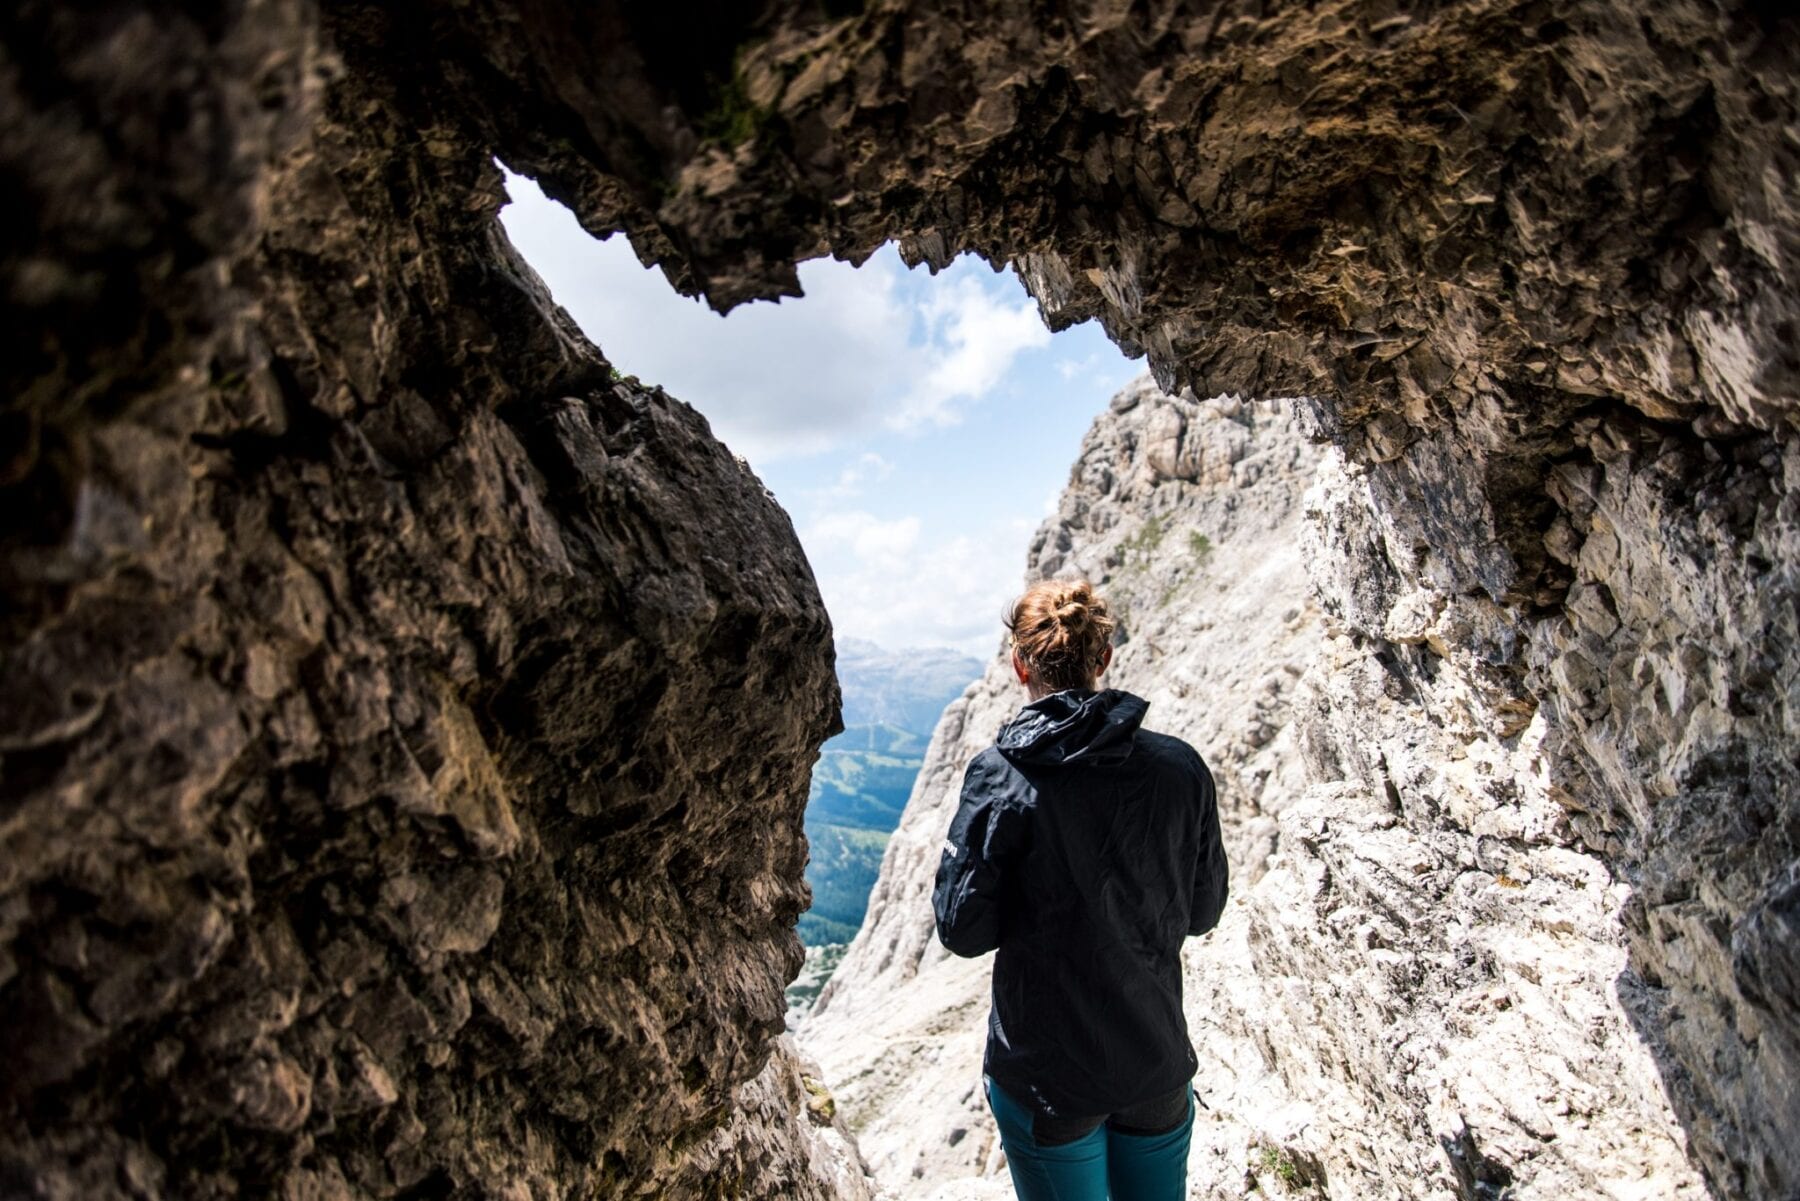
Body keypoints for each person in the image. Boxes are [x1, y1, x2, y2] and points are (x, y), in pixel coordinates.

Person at [932, 578, 1227, 1201]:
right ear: (1104, 660)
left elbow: (963, 931)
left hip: (1049, 1075)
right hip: (1154, 1060)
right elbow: (1203, 912)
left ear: (1020, 665)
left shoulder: (1000, 777)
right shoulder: (1180, 767)